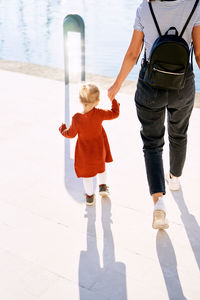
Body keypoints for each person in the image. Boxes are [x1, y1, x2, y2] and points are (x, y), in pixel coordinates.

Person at [108, 0, 200, 229]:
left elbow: (132, 53)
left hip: (150, 86)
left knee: (152, 143)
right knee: (179, 134)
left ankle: (158, 202)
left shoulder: (144, 9)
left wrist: (116, 85)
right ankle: (175, 178)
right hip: (182, 85)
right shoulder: (195, 6)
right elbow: (198, 54)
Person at [59, 83, 120, 206]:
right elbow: (114, 113)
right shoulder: (100, 114)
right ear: (97, 101)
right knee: (101, 169)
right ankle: (102, 187)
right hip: (98, 151)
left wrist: (62, 129)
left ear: (80, 100)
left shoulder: (77, 118)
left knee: (87, 177)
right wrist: (113, 100)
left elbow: (70, 134)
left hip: (84, 154)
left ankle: (90, 197)